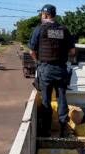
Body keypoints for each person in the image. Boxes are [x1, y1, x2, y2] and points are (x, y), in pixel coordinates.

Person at [28, 4, 75, 137]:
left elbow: (31, 51)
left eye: (42, 14)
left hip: (46, 69)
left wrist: (38, 62)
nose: (41, 17)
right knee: (61, 99)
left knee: (46, 100)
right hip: (60, 69)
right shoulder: (64, 30)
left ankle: (46, 130)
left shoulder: (39, 29)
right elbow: (72, 51)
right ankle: (64, 128)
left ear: (46, 15)